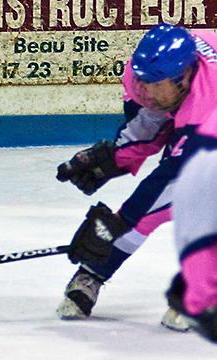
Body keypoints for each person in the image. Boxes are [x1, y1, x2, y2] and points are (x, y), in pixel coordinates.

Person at [57, 24, 217, 341]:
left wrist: (120, 223)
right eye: (144, 83)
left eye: (157, 86)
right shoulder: (142, 75)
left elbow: (174, 181)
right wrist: (111, 161)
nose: (148, 92)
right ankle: (93, 273)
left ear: (184, 76)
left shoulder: (205, 106)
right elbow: (147, 125)